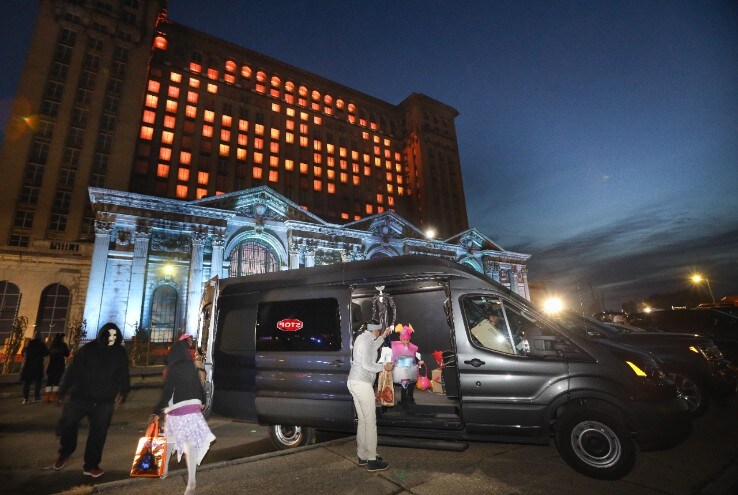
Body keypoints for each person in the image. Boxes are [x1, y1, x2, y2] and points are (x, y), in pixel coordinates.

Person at [53, 322, 130, 478]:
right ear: (102, 335)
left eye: (115, 336)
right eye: (109, 335)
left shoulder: (120, 353)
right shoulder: (87, 350)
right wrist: (62, 390)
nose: (112, 338)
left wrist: (124, 390)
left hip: (104, 400)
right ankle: (65, 451)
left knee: (99, 433)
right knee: (68, 423)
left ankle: (91, 465)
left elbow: (123, 374)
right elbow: (72, 371)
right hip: (80, 396)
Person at [152, 335, 215, 495]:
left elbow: (167, 393)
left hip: (178, 408)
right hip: (193, 406)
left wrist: (156, 410)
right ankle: (191, 480)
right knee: (190, 443)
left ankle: (164, 469)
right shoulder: (190, 365)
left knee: (169, 440)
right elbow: (199, 385)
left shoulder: (173, 368)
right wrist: (201, 400)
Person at [347, 320, 393, 472]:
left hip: (353, 382)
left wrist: (384, 336)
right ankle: (372, 460)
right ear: (376, 330)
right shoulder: (367, 341)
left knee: (363, 422)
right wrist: (383, 367)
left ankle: (362, 456)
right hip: (362, 384)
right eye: (380, 330)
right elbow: (367, 365)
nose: (380, 332)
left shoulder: (363, 338)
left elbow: (373, 346)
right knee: (370, 423)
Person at [389, 324, 424, 407]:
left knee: (411, 384)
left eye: (407, 340)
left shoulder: (412, 347)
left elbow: (413, 356)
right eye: (404, 340)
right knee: (404, 385)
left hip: (410, 368)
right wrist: (386, 334)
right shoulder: (396, 345)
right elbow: (387, 343)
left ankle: (410, 398)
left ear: (410, 339)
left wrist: (419, 361)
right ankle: (403, 400)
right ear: (400, 338)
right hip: (401, 369)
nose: (405, 341)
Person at [20, 331, 49, 404]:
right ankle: (36, 397)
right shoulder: (42, 344)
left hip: (27, 366)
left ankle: (25, 399)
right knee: (38, 382)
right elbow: (46, 353)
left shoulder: (28, 343)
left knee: (27, 383)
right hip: (37, 366)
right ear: (41, 337)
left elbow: (22, 353)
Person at [45, 333, 70, 403]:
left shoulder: (52, 345)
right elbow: (67, 354)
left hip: (51, 364)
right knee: (56, 381)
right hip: (59, 365)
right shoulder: (63, 345)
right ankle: (54, 397)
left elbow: (48, 353)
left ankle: (47, 397)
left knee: (49, 381)